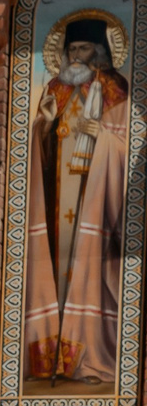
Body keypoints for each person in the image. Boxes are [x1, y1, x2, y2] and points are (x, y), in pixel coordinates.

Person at [27, 21, 133, 385]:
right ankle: (51, 354)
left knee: (86, 272)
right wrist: (42, 125)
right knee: (55, 270)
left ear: (100, 52)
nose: (76, 56)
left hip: (94, 200)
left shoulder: (115, 90)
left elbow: (128, 152)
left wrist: (102, 137)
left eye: (84, 49)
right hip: (57, 204)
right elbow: (42, 149)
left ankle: (84, 349)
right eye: (72, 50)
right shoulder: (56, 88)